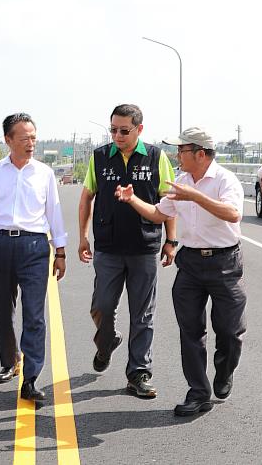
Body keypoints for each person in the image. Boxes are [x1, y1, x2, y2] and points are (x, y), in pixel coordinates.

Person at [115, 126, 246, 417]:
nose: (177, 155)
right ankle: (198, 393)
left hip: (224, 263)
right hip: (190, 265)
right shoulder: (181, 182)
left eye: (182, 150)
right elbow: (159, 213)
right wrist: (132, 199)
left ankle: (224, 370)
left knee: (230, 331)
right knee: (190, 332)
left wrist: (195, 197)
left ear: (200, 154)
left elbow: (233, 214)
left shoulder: (226, 180)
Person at [77, 104, 177, 399]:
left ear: (139, 130)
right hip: (107, 248)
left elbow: (168, 201)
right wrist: (83, 237)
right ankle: (106, 341)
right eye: (113, 130)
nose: (118, 136)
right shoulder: (100, 157)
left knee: (142, 313)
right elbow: (86, 198)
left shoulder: (156, 157)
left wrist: (171, 241)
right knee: (102, 305)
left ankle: (138, 372)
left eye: (124, 131)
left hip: (144, 247)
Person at [0, 113, 67, 402]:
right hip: (1, 244)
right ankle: (10, 360)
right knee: (2, 307)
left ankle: (31, 378)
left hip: (36, 246)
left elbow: (55, 213)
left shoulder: (44, 173)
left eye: (34, 138)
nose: (30, 143)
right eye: (24, 138)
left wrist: (60, 251)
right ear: (8, 140)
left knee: (34, 314)